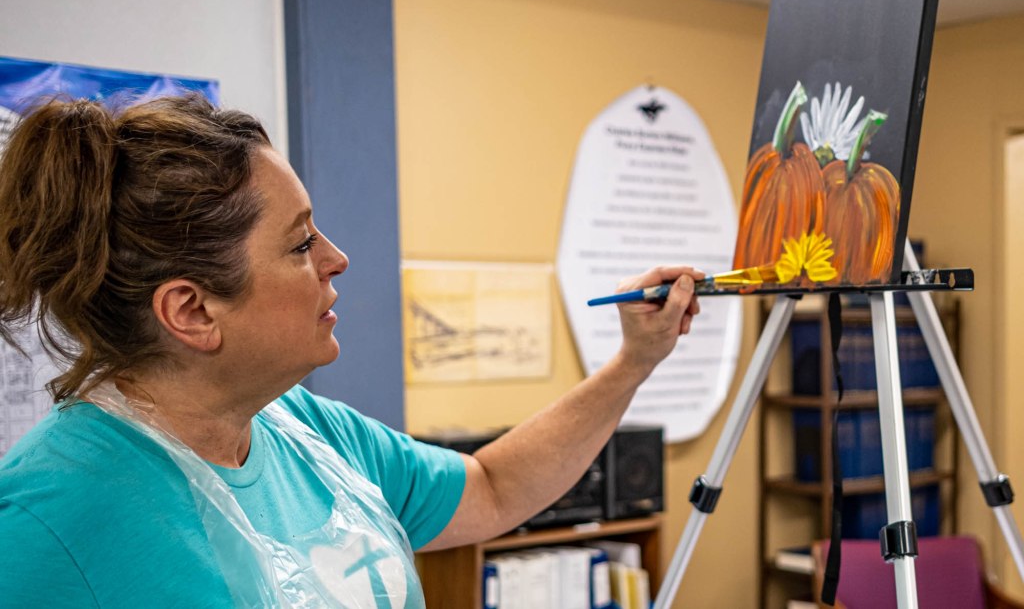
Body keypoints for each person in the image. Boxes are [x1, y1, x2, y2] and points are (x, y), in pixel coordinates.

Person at [0, 94, 702, 607]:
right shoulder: (47, 522)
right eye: (300, 243)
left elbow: (492, 488)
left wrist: (634, 361)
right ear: (192, 311)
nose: (336, 258)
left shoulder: (305, 431)